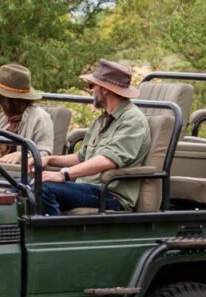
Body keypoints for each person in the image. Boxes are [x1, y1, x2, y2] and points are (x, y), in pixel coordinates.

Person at [38, 60, 151, 214]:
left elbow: (108, 160)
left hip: (110, 194)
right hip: (88, 187)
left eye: (92, 86)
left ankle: (53, 236)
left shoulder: (133, 120)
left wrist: (62, 174)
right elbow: (82, 156)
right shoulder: (102, 120)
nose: (90, 91)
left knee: (44, 190)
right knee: (22, 185)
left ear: (105, 90)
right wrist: (49, 160)